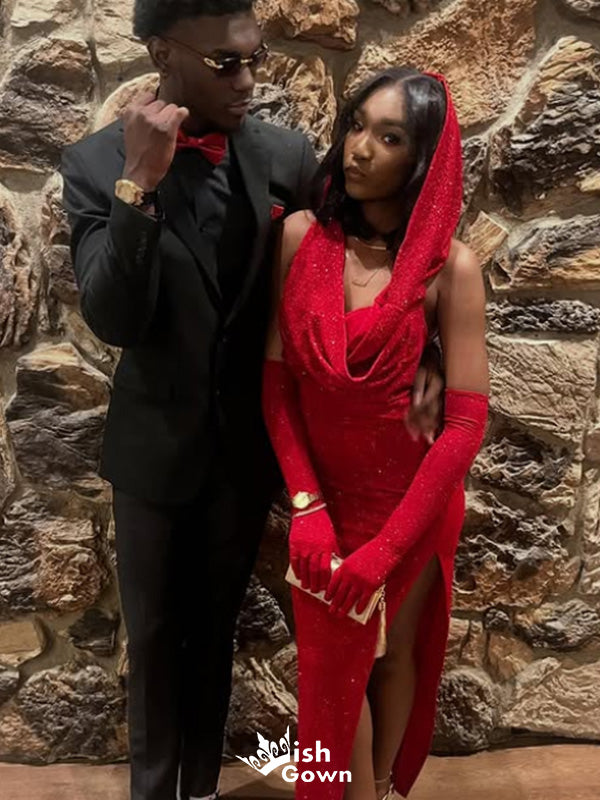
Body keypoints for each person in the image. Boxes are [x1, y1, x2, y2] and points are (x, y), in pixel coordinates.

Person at [60, 1, 446, 798]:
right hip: (153, 450)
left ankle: (201, 787)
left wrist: (431, 350)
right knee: (154, 638)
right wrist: (138, 184)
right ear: (163, 54)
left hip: (247, 448)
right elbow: (114, 318)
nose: (247, 80)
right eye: (224, 63)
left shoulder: (284, 155)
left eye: (254, 58)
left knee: (216, 633)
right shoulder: (96, 165)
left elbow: (367, 248)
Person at [262, 68, 490, 800]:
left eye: (389, 138)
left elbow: (465, 424)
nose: (358, 149)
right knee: (330, 673)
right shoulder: (300, 237)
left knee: (392, 660)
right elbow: (277, 389)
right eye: (356, 126)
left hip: (412, 505)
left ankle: (383, 789)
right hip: (324, 505)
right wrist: (306, 507)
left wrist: (389, 547)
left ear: (423, 160)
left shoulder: (451, 270)